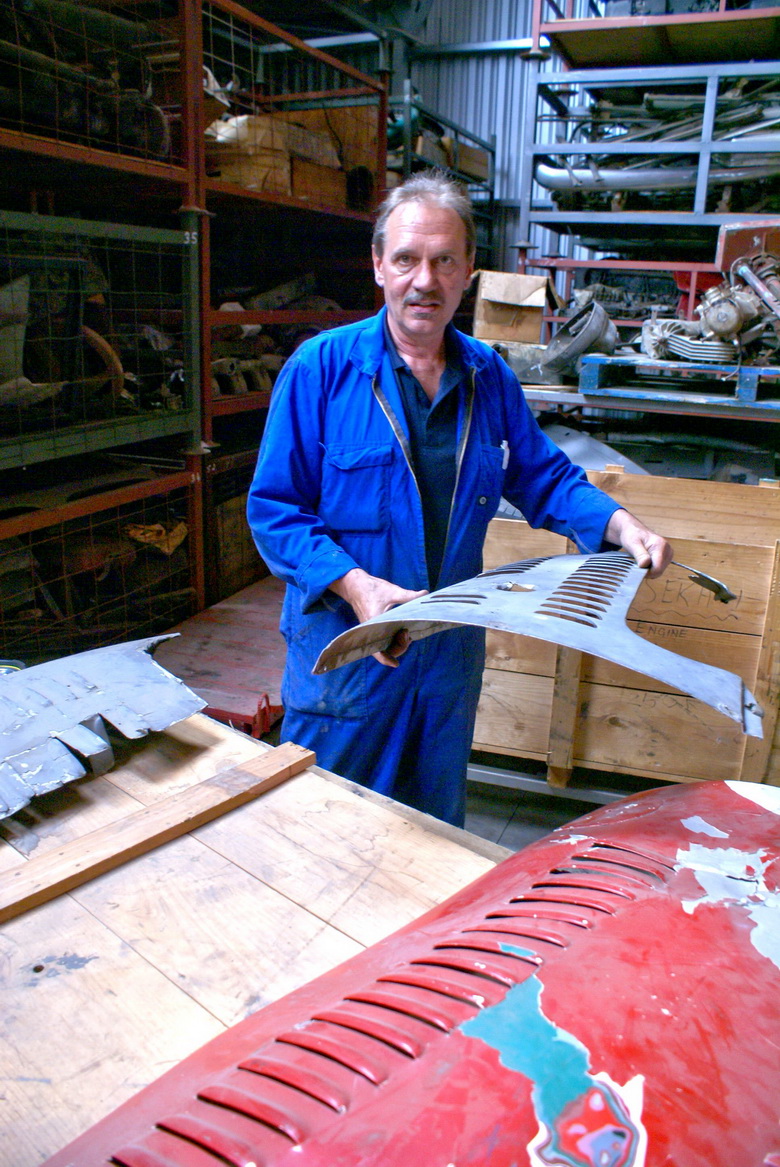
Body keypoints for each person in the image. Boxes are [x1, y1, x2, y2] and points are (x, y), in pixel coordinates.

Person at [247, 171, 672, 826]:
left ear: (469, 269)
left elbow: (542, 477)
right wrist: (355, 585)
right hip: (351, 657)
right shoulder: (320, 370)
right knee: (325, 839)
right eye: (408, 259)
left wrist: (617, 523)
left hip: (444, 664)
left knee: (432, 837)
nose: (426, 280)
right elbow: (275, 511)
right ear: (379, 266)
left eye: (445, 260)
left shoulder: (488, 376)